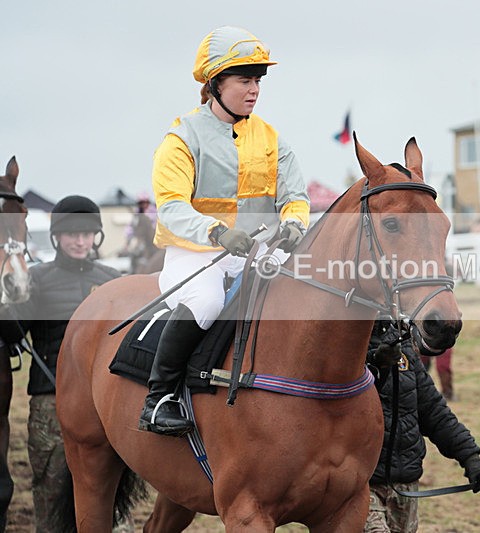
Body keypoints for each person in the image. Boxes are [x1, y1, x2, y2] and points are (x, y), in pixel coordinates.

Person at [138, 26, 311, 437]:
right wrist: (216, 233)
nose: (254, 90)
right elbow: (172, 207)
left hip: (256, 250)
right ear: (216, 83)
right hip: (195, 252)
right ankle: (158, 397)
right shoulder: (181, 137)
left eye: (257, 81)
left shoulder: (270, 138)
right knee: (207, 301)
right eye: (244, 80)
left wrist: (294, 224)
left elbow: (295, 194)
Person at [0, 196, 124, 532]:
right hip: (50, 403)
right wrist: (9, 299)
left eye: (87, 234)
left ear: (96, 236)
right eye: (72, 235)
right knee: (52, 493)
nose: (80, 241)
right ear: (57, 238)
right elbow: (12, 332)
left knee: (110, 496)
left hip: (106, 406)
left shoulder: (115, 281)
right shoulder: (36, 280)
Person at [364, 320, 480, 533]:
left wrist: (470, 457)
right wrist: (376, 365)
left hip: (406, 484)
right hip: (361, 483)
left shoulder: (401, 342)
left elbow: (433, 410)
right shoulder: (340, 341)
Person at [122, 193, 158, 273]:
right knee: (134, 254)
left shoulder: (154, 212)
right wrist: (127, 242)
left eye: (146, 202)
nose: (144, 204)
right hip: (141, 240)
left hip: (155, 239)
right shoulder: (137, 214)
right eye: (141, 202)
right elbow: (130, 228)